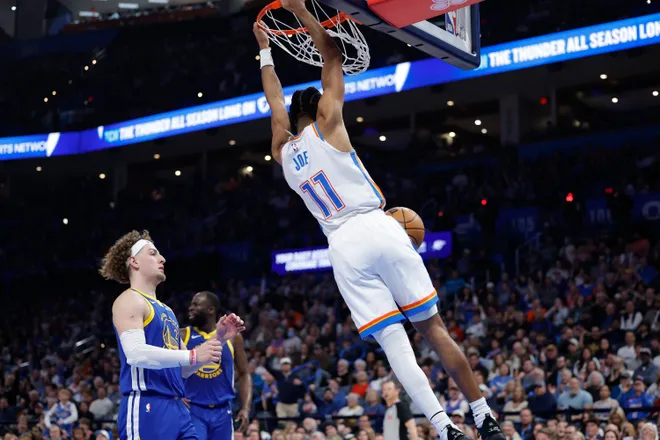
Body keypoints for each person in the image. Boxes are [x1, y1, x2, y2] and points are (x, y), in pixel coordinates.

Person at [253, 2, 505, 440]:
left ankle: (444, 427)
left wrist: (265, 51)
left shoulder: (282, 150)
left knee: (395, 345)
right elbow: (331, 55)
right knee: (433, 329)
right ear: (320, 105)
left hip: (342, 246)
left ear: (292, 119)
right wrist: (299, 8)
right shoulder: (330, 124)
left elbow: (273, 98)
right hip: (377, 224)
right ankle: (483, 415)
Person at [100, 230, 245, 440]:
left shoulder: (167, 311)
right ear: (134, 262)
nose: (162, 258)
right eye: (153, 253)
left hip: (178, 407)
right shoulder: (129, 300)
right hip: (146, 405)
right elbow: (135, 354)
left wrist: (218, 339)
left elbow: (184, 369)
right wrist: (194, 356)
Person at [182, 291, 253, 440]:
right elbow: (167, 368)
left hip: (223, 411)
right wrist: (174, 395)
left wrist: (246, 408)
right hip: (192, 409)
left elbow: (244, 373)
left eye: (195, 304)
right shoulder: (183, 335)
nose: (190, 308)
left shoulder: (234, 337)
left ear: (211, 310)